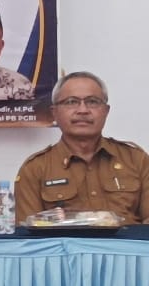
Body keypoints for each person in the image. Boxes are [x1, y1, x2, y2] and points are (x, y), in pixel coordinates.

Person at [14, 71, 149, 224]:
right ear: (54, 113)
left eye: (92, 102)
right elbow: (28, 230)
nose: (83, 110)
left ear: (106, 111)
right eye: (71, 102)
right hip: (63, 241)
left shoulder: (136, 160)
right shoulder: (35, 168)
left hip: (127, 240)